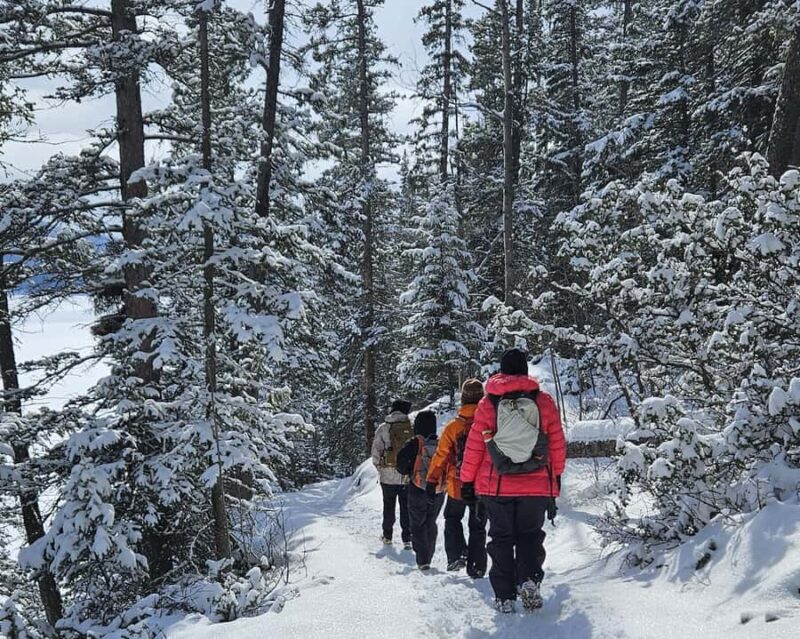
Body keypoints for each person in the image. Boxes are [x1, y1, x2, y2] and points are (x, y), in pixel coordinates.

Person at [460, 348, 566, 614]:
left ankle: (504, 595)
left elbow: (475, 446)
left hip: (497, 486)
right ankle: (529, 579)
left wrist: (467, 481)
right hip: (537, 484)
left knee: (501, 539)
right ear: (525, 371)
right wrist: (556, 476)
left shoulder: (488, 404)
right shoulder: (543, 401)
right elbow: (556, 443)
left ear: (501, 371)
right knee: (531, 536)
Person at [425, 379, 488, 577]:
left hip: (457, 483)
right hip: (483, 484)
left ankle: (456, 555)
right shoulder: (489, 423)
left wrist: (432, 479)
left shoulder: (453, 427)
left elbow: (441, 456)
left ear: (463, 399)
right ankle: (477, 566)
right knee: (478, 525)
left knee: (453, 518)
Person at [396, 411, 446, 571]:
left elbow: (401, 465)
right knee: (431, 522)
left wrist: (411, 470)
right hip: (438, 488)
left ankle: (422, 559)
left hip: (417, 487)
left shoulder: (414, 442)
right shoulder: (441, 442)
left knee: (417, 523)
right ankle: (428, 556)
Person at [371, 399, 414, 548]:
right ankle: (407, 538)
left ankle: (387, 535)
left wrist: (380, 467)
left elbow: (376, 451)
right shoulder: (411, 426)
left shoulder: (384, 428)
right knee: (406, 506)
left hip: (387, 476)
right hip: (406, 475)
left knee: (388, 506)